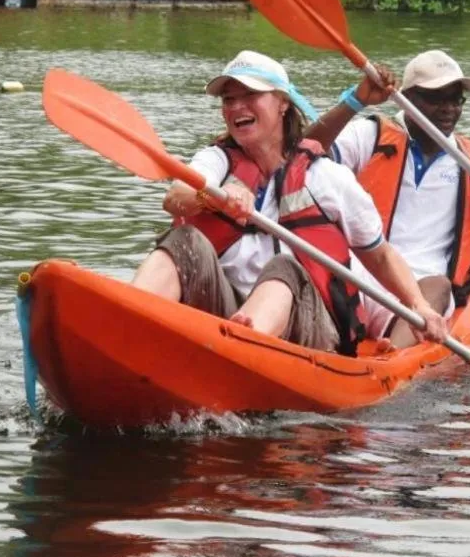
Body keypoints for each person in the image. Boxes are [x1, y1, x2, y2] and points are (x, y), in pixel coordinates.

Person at [131, 50, 446, 356]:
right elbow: (175, 199)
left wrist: (418, 305)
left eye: (250, 94)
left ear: (282, 103)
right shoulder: (216, 160)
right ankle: (131, 316)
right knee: (185, 240)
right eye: (229, 99)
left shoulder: (326, 177)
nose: (236, 106)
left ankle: (240, 351)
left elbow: (380, 255)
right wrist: (215, 194)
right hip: (225, 313)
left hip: (309, 330)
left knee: (285, 267)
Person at [306, 50, 470, 348]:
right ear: (407, 98)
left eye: (456, 99)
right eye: (436, 98)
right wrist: (355, 100)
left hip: (425, 289)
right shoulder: (369, 135)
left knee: (439, 285)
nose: (448, 109)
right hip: (360, 274)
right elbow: (303, 153)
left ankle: (393, 359)